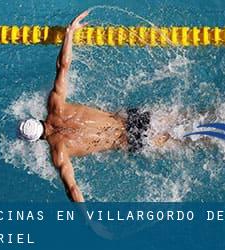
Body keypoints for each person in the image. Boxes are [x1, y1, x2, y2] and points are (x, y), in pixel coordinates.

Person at [18, 11, 170, 202]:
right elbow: (63, 66)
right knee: (186, 118)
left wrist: (90, 222)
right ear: (36, 119)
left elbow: (72, 189)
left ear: (36, 140)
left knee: (188, 141)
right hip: (132, 118)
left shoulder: (59, 152)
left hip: (131, 140)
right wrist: (69, 33)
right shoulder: (55, 105)